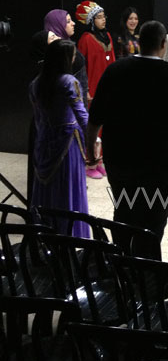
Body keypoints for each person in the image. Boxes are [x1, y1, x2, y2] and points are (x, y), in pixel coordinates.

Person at [85, 20, 168, 247]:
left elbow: (95, 117)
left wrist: (90, 150)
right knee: (155, 220)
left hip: (121, 160)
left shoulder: (115, 71)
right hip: (161, 165)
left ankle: (122, 261)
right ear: (164, 44)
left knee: (124, 212)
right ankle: (149, 264)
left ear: (139, 42)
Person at [29, 39, 90, 237]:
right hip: (67, 144)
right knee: (67, 189)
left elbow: (38, 119)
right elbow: (82, 115)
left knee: (47, 190)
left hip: (44, 142)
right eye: (72, 55)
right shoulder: (68, 81)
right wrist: (95, 139)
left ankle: (45, 234)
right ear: (65, 58)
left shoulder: (36, 83)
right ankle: (70, 235)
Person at [76, 0, 116, 179]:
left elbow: (112, 61)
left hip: (106, 87)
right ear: (92, 21)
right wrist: (84, 89)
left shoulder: (107, 36)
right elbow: (80, 67)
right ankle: (90, 163)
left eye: (103, 16)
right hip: (92, 88)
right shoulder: (85, 39)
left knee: (105, 125)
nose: (103, 19)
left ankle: (100, 160)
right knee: (93, 126)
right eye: (99, 17)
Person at [43, 8, 88, 99]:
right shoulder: (55, 52)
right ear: (58, 25)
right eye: (68, 21)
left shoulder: (69, 45)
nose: (73, 23)